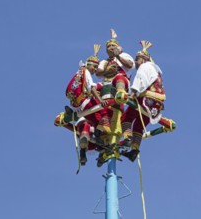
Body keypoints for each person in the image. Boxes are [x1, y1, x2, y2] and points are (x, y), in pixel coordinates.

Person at [94, 29, 135, 167]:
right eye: (108, 47)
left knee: (118, 78)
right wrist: (107, 70)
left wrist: (118, 56)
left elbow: (130, 65)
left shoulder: (123, 55)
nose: (110, 48)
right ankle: (104, 146)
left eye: (112, 46)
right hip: (106, 89)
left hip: (120, 85)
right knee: (95, 89)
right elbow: (98, 73)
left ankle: (120, 93)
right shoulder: (105, 62)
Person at [121, 41, 166, 162]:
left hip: (146, 99)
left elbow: (140, 80)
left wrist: (133, 94)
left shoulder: (144, 67)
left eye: (137, 59)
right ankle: (134, 150)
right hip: (157, 104)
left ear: (143, 59)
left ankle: (127, 139)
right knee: (138, 126)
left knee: (126, 117)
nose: (135, 62)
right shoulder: (156, 70)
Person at [65, 44, 108, 165]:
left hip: (76, 107)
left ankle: (83, 154)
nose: (95, 70)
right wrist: (100, 100)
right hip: (85, 105)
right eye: (95, 68)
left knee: (85, 129)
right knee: (104, 114)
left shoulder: (79, 72)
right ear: (91, 65)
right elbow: (92, 87)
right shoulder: (86, 73)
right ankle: (98, 137)